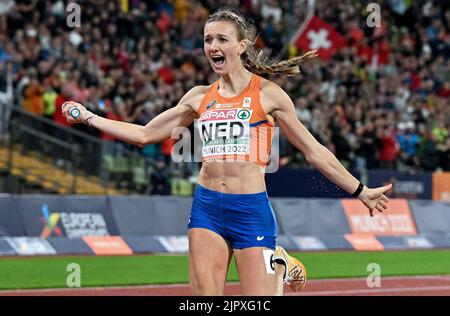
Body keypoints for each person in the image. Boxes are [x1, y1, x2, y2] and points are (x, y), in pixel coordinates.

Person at [62, 8, 392, 296]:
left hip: (250, 210)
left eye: (221, 39)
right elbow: (144, 134)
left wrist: (359, 189)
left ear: (242, 46)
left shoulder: (268, 94)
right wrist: (90, 117)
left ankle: (279, 264)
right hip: (207, 208)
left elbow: (313, 151)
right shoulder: (198, 97)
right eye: (208, 40)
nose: (213, 47)